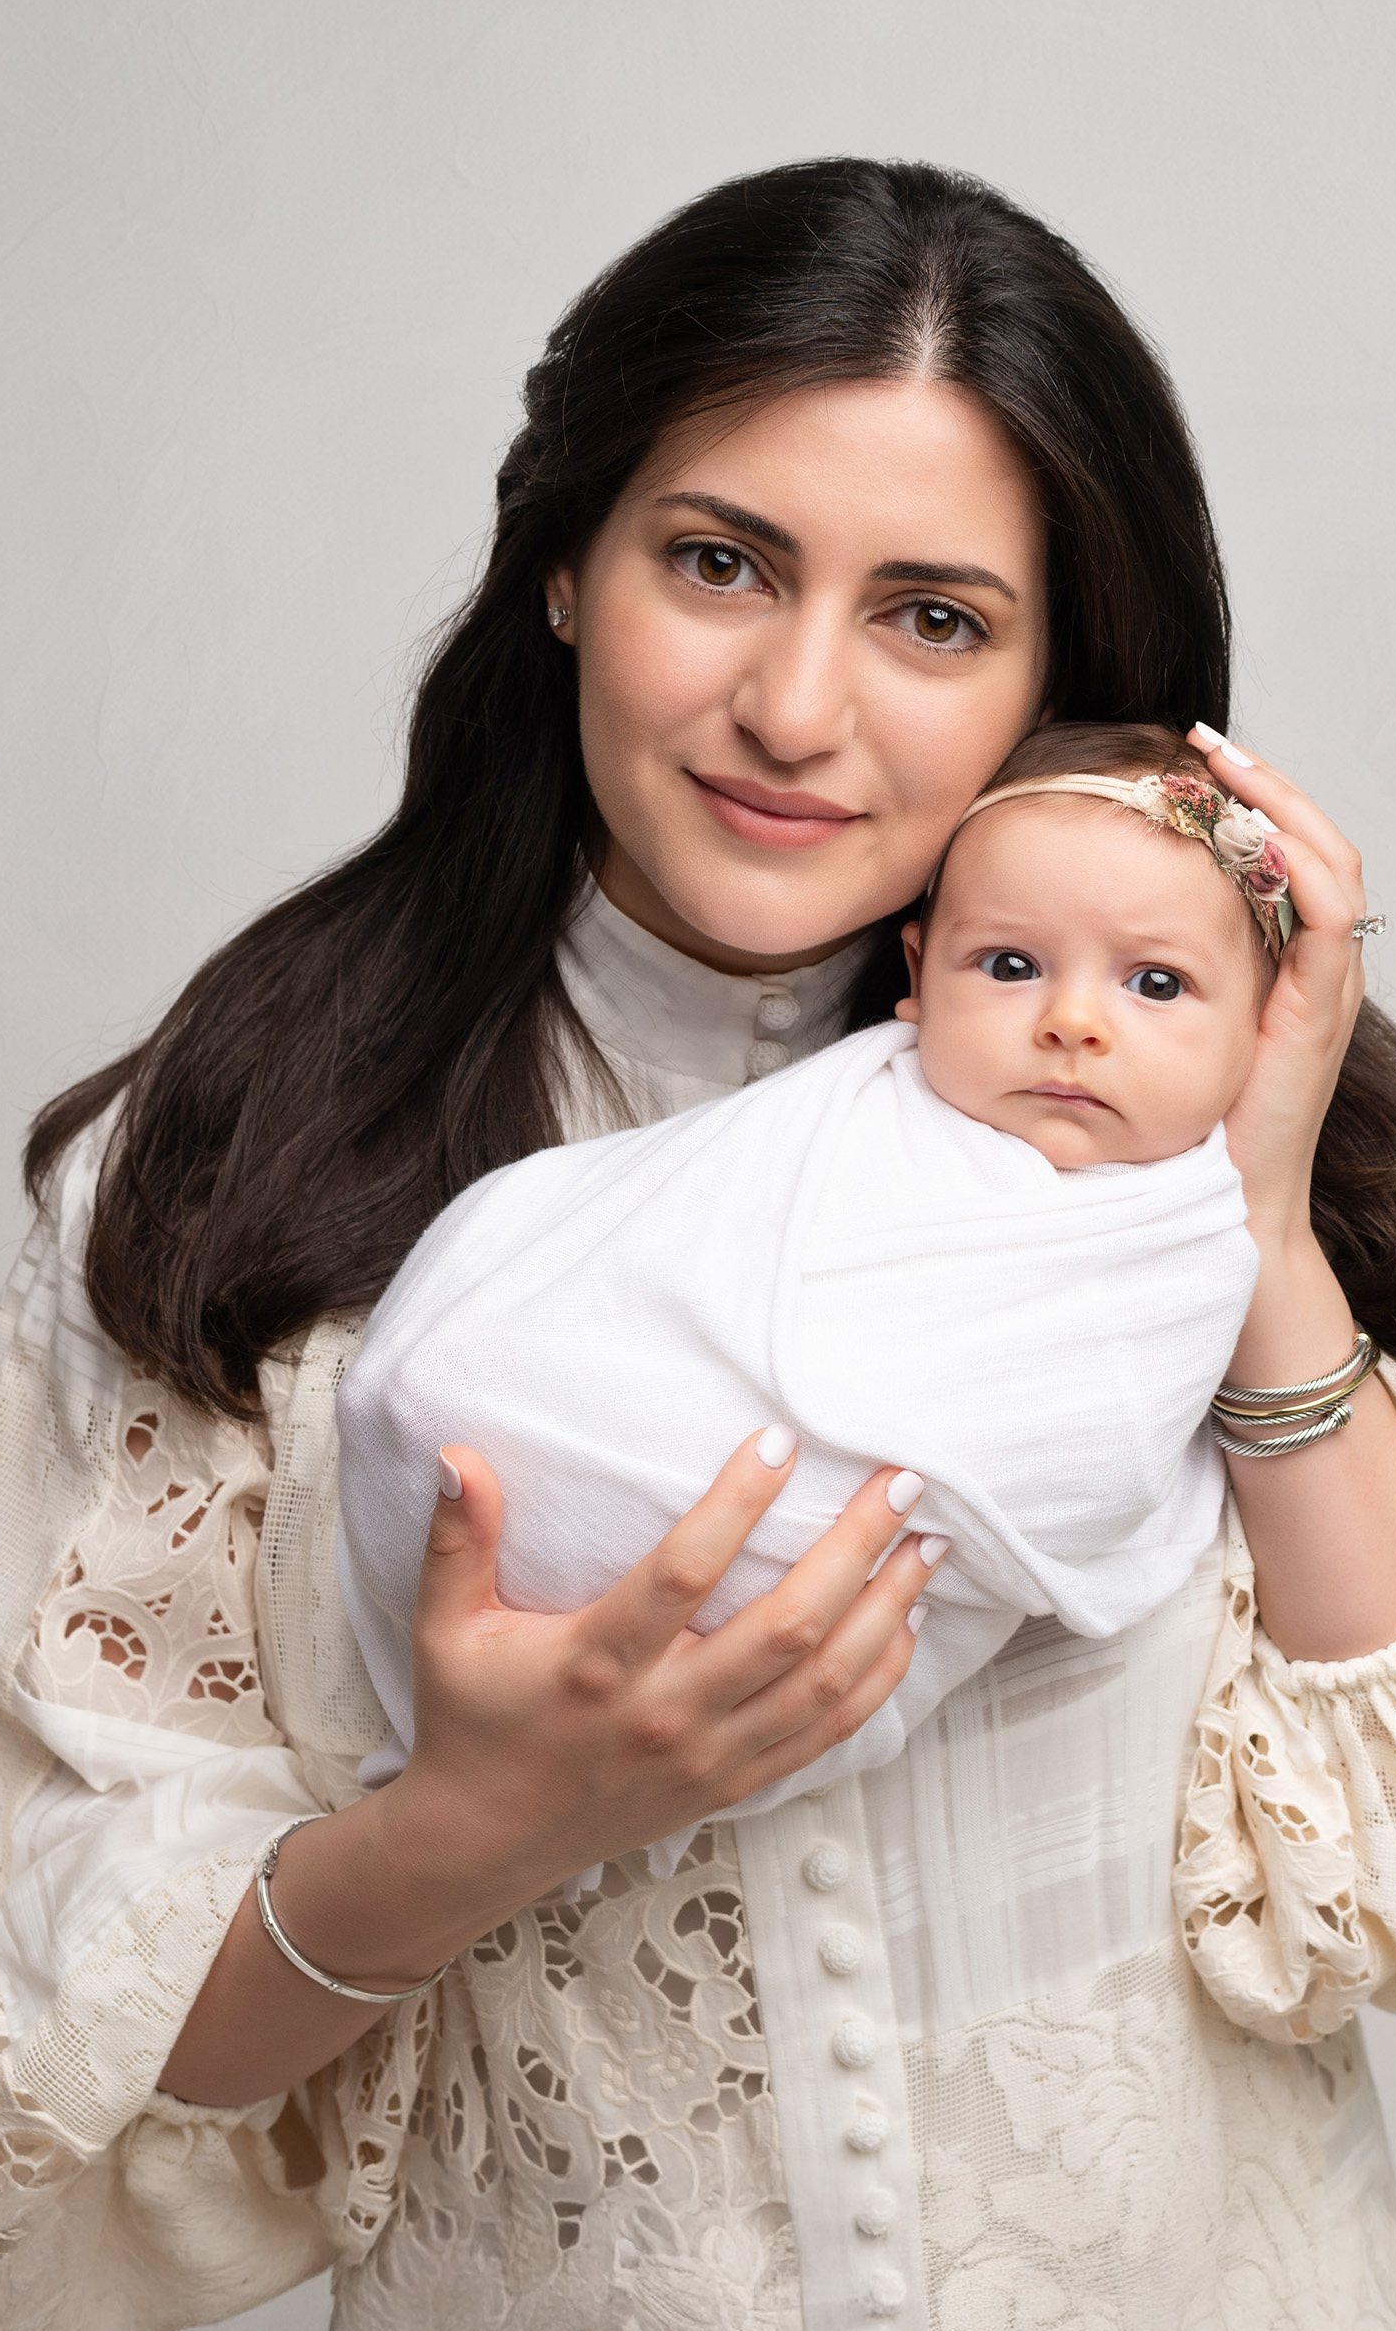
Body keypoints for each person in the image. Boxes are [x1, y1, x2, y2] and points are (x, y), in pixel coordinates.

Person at [0, 160, 1396, 2331]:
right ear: (562, 566)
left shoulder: (1186, 1107)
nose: (794, 709)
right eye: (720, 562)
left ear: (1067, 673)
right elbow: (16, 2045)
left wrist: (1261, 1222)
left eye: (934, 617)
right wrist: (474, 1831)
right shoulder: (247, 1162)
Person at [334, 725, 1322, 1854]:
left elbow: (1085, 1465)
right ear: (915, 979)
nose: (1071, 1021)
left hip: (752, 1597)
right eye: (1008, 966)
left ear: (1259, 1026)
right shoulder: (844, 1110)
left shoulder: (1185, 1232)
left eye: (1155, 984)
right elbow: (640, 1228)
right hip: (498, 1453)